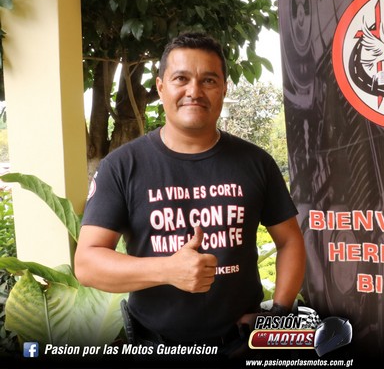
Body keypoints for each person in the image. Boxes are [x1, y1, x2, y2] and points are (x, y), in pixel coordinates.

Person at [74, 32, 306, 360]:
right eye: (181, 78)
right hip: (155, 347)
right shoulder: (122, 166)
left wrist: (279, 314)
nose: (194, 91)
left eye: (208, 80)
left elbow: (290, 240)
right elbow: (87, 264)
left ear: (224, 88)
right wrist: (168, 270)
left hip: (241, 346)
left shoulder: (256, 163)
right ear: (160, 87)